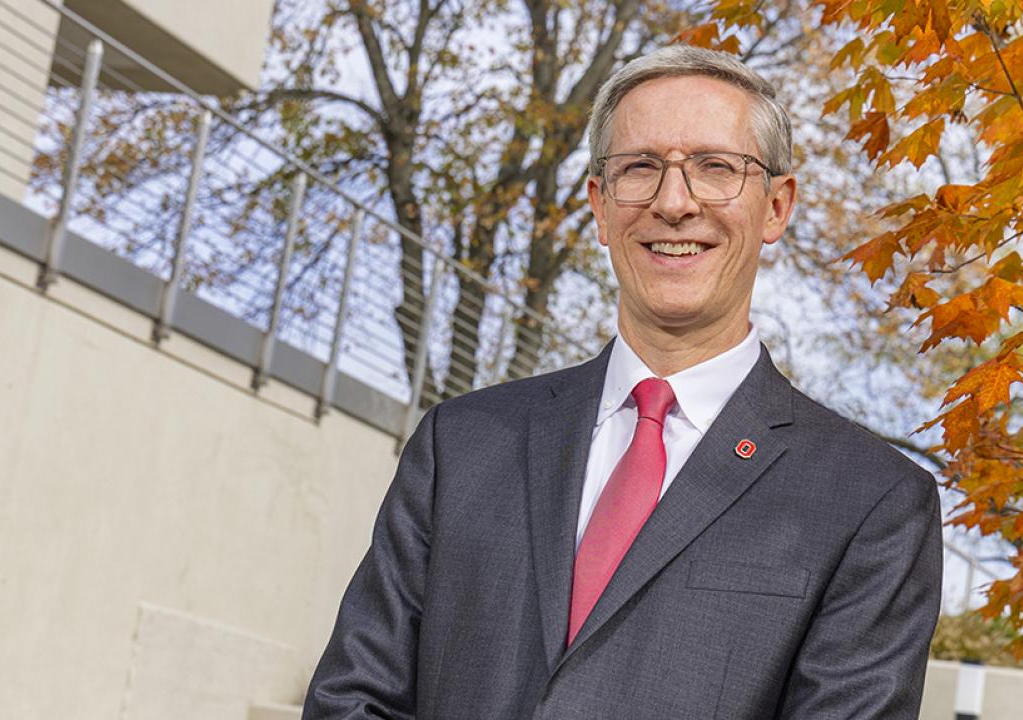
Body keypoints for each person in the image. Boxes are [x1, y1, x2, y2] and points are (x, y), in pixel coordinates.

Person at [302, 45, 942, 720]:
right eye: (640, 168)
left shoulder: (871, 503)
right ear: (600, 207)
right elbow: (353, 699)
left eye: (715, 168)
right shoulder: (460, 446)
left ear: (777, 207)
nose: (673, 203)